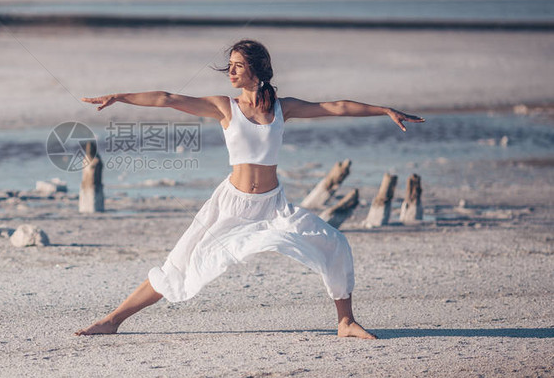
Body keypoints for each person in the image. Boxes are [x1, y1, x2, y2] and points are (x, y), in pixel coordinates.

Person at [75, 39, 424, 339]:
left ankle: (345, 322)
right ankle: (112, 320)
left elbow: (336, 107)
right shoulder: (223, 107)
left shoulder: (282, 108)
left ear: (257, 69)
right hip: (231, 206)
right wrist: (120, 97)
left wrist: (383, 110)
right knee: (179, 264)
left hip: (274, 207)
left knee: (333, 243)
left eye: (238, 66)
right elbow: (167, 98)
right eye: (229, 66)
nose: (231, 72)